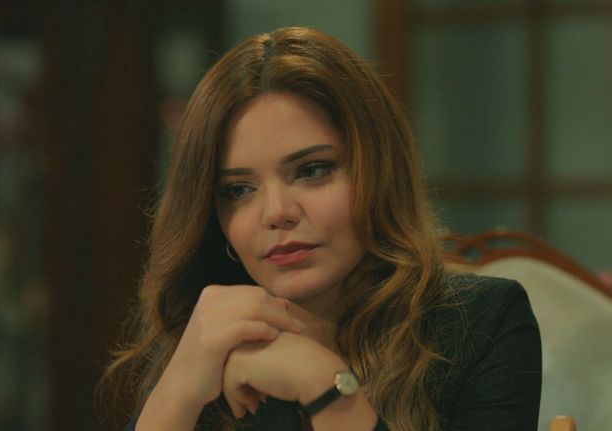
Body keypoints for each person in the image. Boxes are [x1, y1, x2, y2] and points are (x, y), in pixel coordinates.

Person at [103, 27, 541, 431]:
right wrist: (178, 391)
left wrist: (321, 383)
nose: (277, 213)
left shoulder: (481, 322)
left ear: (378, 170)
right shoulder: (209, 336)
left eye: (312, 170)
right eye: (237, 190)